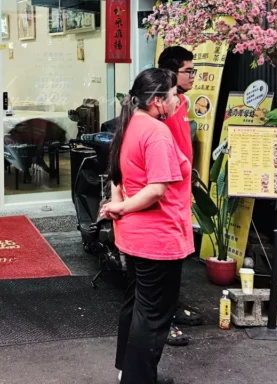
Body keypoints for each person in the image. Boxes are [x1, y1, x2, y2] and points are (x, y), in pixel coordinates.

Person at [102, 68, 191, 384]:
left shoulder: (129, 124)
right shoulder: (155, 132)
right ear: (156, 100)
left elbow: (117, 175)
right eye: (172, 95)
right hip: (157, 238)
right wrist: (120, 206)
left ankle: (127, 372)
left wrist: (118, 206)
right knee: (153, 317)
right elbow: (157, 189)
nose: (176, 99)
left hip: (134, 236)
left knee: (137, 305)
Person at [156, 46, 206, 346]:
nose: (193, 76)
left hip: (181, 194)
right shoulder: (160, 108)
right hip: (165, 196)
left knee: (176, 260)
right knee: (162, 264)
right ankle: (162, 323)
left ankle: (172, 309)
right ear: (172, 73)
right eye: (189, 70)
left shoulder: (182, 102)